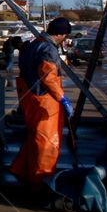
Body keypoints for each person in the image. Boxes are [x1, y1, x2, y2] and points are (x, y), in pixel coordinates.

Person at [10, 17, 74, 193]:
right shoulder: (48, 49)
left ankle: (21, 170)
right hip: (45, 101)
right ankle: (42, 181)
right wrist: (63, 98)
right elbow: (48, 77)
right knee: (47, 142)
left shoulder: (31, 45)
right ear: (61, 34)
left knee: (33, 138)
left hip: (29, 98)